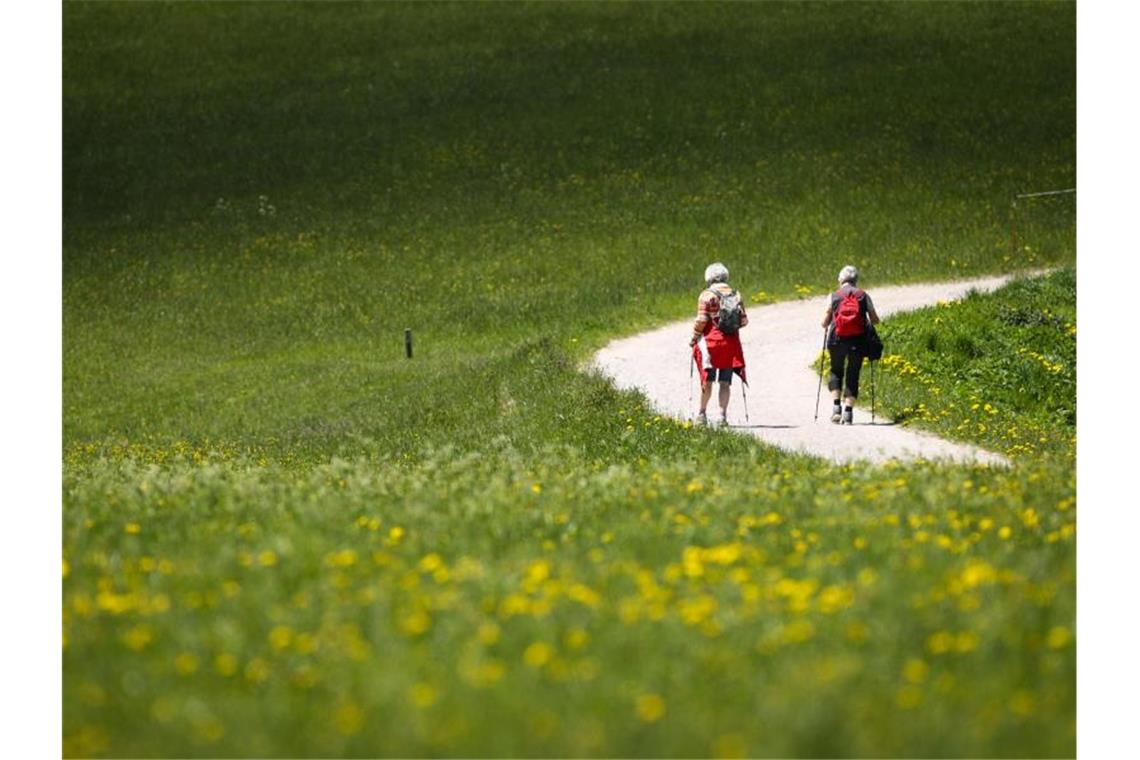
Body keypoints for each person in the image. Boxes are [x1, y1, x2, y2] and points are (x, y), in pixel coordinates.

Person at [688, 262, 748, 426]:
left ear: (709, 278)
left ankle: (702, 415)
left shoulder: (706, 295)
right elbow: (744, 321)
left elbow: (701, 320)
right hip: (730, 344)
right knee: (725, 382)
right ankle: (722, 417)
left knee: (707, 380)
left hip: (711, 343)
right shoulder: (736, 294)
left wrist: (694, 337)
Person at [821, 265, 880, 424]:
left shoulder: (834, 296)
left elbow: (824, 322)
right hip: (858, 340)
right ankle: (848, 413)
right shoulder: (863, 295)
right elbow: (875, 320)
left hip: (837, 340)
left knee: (836, 371)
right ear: (855, 280)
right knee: (853, 374)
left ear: (841, 279)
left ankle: (836, 409)